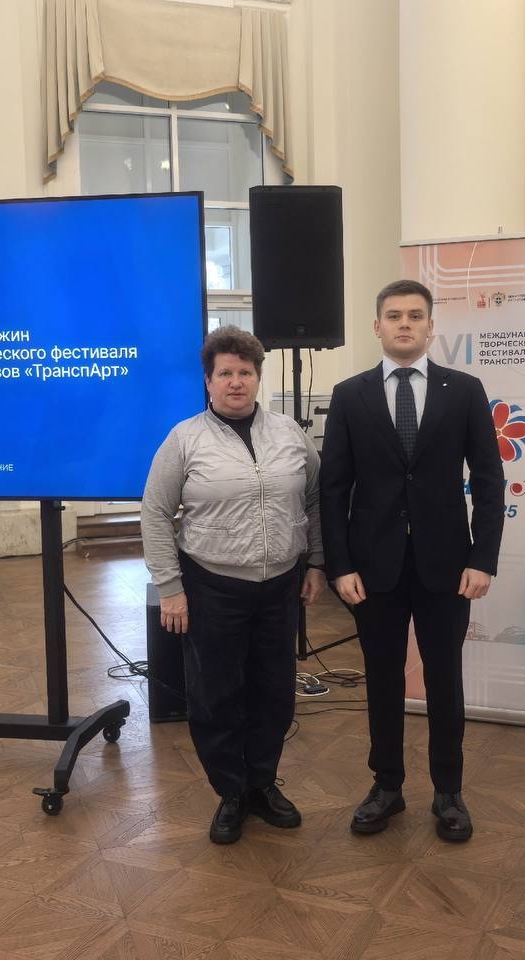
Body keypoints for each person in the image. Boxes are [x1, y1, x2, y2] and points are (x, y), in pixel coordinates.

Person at [320, 279, 504, 843]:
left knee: (445, 679)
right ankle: (387, 786)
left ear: (430, 327)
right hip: (372, 568)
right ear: (377, 326)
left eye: (415, 315)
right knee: (381, 679)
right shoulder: (349, 395)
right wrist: (339, 565)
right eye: (395, 315)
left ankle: (448, 791)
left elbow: (489, 481)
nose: (405, 324)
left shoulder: (465, 391)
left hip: (446, 566)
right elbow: (333, 489)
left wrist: (483, 558)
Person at [142, 326, 327, 844]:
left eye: (245, 372)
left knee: (274, 692)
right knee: (216, 695)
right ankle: (231, 791)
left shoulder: (289, 434)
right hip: (212, 587)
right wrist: (170, 587)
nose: (236, 381)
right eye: (225, 373)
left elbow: (315, 499)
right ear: (208, 381)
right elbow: (155, 513)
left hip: (280, 587)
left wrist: (316, 562)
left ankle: (262, 784)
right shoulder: (185, 439)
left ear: (258, 377)